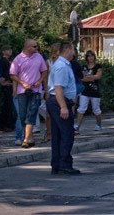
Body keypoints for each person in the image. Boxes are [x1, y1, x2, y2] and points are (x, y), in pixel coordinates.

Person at [46, 42, 80, 175]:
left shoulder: (61, 64)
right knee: (67, 134)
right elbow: (58, 88)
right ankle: (64, 163)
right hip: (59, 102)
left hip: (56, 102)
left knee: (58, 134)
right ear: (67, 50)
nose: (74, 53)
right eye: (73, 50)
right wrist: (63, 107)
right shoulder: (61, 66)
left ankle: (57, 164)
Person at [10, 39, 48, 148]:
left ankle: (26, 139)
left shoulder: (39, 57)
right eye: (35, 46)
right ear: (28, 47)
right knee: (22, 115)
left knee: (32, 113)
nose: (37, 48)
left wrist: (40, 81)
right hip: (22, 91)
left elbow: (44, 71)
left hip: (35, 90)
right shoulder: (18, 59)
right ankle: (28, 137)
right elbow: (13, 74)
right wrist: (22, 83)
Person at [75, 50, 103, 133]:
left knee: (96, 109)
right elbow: (82, 78)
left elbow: (98, 76)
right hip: (85, 90)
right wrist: (91, 77)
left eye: (92, 56)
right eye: (89, 56)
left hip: (95, 91)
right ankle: (77, 125)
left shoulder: (98, 66)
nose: (90, 58)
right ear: (86, 58)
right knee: (81, 108)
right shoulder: (84, 67)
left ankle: (98, 124)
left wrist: (88, 76)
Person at [0, 45, 17, 132]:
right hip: (7, 85)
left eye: (10, 49)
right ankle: (4, 124)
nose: (10, 51)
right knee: (7, 105)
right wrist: (3, 82)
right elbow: (1, 73)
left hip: (12, 84)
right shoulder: (2, 61)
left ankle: (11, 124)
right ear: (3, 51)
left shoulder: (11, 60)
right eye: (7, 50)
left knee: (11, 106)